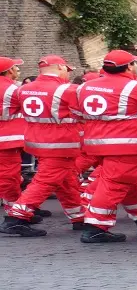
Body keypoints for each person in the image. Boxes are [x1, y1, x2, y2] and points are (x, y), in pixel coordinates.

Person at [75, 50, 137, 243]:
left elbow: (77, 113)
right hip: (127, 145)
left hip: (96, 144)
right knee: (115, 183)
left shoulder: (84, 87)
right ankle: (96, 226)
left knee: (128, 181)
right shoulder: (136, 88)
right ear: (130, 66)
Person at [0, 55, 87, 237]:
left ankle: (79, 217)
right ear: (60, 68)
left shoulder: (23, 89)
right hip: (61, 142)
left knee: (66, 179)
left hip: (37, 141)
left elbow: (13, 111)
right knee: (45, 180)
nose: (68, 74)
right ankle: (17, 217)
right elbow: (84, 115)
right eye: (67, 70)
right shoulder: (67, 90)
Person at [0, 57, 25, 217]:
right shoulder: (13, 90)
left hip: (7, 139)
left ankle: (16, 209)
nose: (18, 70)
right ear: (9, 70)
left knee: (11, 176)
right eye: (16, 67)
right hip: (7, 140)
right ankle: (15, 214)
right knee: (9, 177)